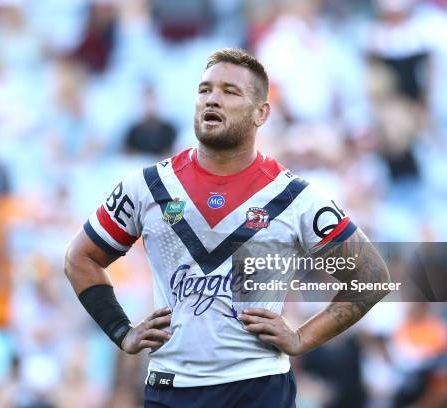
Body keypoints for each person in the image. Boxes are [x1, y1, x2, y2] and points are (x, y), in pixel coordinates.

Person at [65, 48, 390, 407]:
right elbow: (80, 258)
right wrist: (121, 331)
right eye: (205, 90)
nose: (212, 99)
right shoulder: (146, 186)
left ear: (261, 113)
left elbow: (370, 276)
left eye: (230, 91)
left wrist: (302, 338)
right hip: (170, 386)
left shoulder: (295, 197)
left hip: (257, 386)